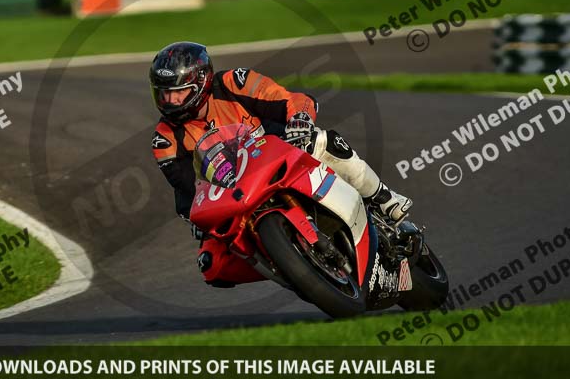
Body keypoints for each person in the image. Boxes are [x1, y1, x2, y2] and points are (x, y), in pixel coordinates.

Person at [149, 41, 412, 287]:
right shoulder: (165, 139)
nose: (170, 102)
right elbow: (187, 188)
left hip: (278, 154)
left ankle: (384, 199)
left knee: (321, 141)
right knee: (211, 265)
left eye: (179, 93)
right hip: (233, 195)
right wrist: (198, 219)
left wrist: (300, 119)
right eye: (164, 95)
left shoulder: (234, 82)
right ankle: (290, 270)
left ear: (201, 83)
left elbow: (288, 99)